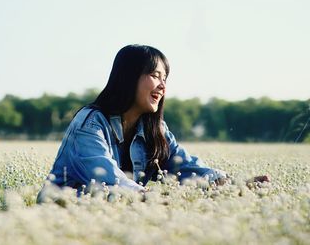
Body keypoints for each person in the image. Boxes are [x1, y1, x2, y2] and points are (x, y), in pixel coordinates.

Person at [37, 44, 269, 201]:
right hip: (62, 219)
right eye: (155, 75)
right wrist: (150, 198)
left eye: (165, 78)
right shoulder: (90, 124)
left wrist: (235, 184)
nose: (162, 86)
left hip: (115, 219)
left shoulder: (154, 130)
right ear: (128, 77)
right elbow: (108, 179)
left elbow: (188, 169)